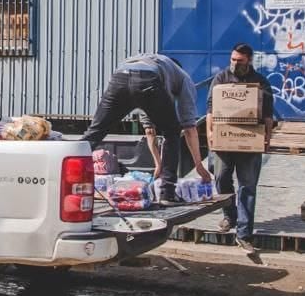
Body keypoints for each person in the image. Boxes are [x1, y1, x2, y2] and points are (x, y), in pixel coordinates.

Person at [83, 53, 211, 204]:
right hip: (146, 80)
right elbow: (189, 127)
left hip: (119, 76)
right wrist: (199, 165)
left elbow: (149, 129)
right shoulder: (183, 78)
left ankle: (60, 172)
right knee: (172, 132)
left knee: (95, 132)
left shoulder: (156, 65)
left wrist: (158, 164)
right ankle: (167, 193)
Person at [206, 43, 274, 254]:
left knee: (247, 187)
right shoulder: (221, 79)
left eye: (240, 61)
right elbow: (210, 109)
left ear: (249, 61)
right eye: (233, 59)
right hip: (224, 141)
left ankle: (244, 234)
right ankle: (230, 215)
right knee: (221, 177)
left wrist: (267, 139)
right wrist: (209, 134)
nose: (235, 64)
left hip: (249, 140)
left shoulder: (261, 83)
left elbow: (268, 115)